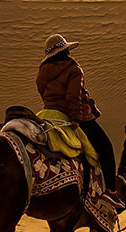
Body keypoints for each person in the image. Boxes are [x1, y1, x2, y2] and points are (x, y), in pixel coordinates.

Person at [36, 34, 116, 191]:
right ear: (65, 51)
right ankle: (111, 192)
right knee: (106, 147)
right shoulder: (73, 69)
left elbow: (42, 91)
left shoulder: (43, 71)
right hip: (71, 115)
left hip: (48, 113)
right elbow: (74, 97)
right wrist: (75, 119)